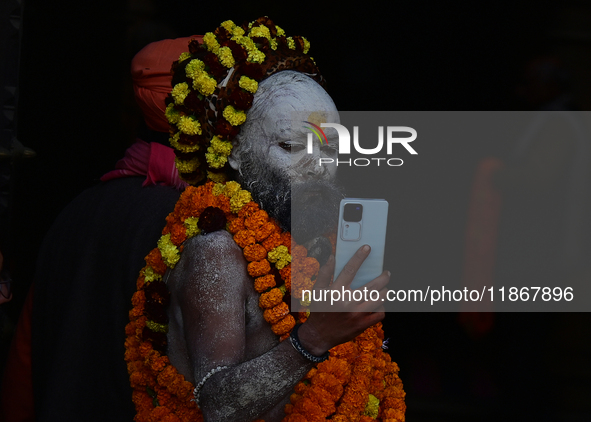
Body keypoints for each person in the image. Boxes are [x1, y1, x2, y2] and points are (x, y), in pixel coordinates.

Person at [125, 18, 406, 422]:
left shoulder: (308, 240)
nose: (317, 167)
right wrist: (315, 338)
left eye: (329, 149)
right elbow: (218, 407)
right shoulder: (217, 250)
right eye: (291, 145)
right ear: (237, 152)